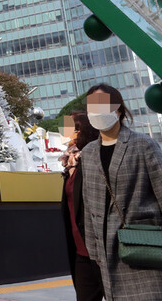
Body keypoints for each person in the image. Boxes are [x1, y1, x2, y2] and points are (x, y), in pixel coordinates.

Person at [80, 83, 162, 300]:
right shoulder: (88, 152)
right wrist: (95, 253)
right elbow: (89, 205)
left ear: (118, 109)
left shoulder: (144, 145)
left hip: (147, 249)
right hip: (110, 255)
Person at [61, 111, 105, 300]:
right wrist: (70, 171)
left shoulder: (97, 158)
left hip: (104, 248)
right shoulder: (73, 167)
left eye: (73, 130)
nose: (69, 135)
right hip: (81, 250)